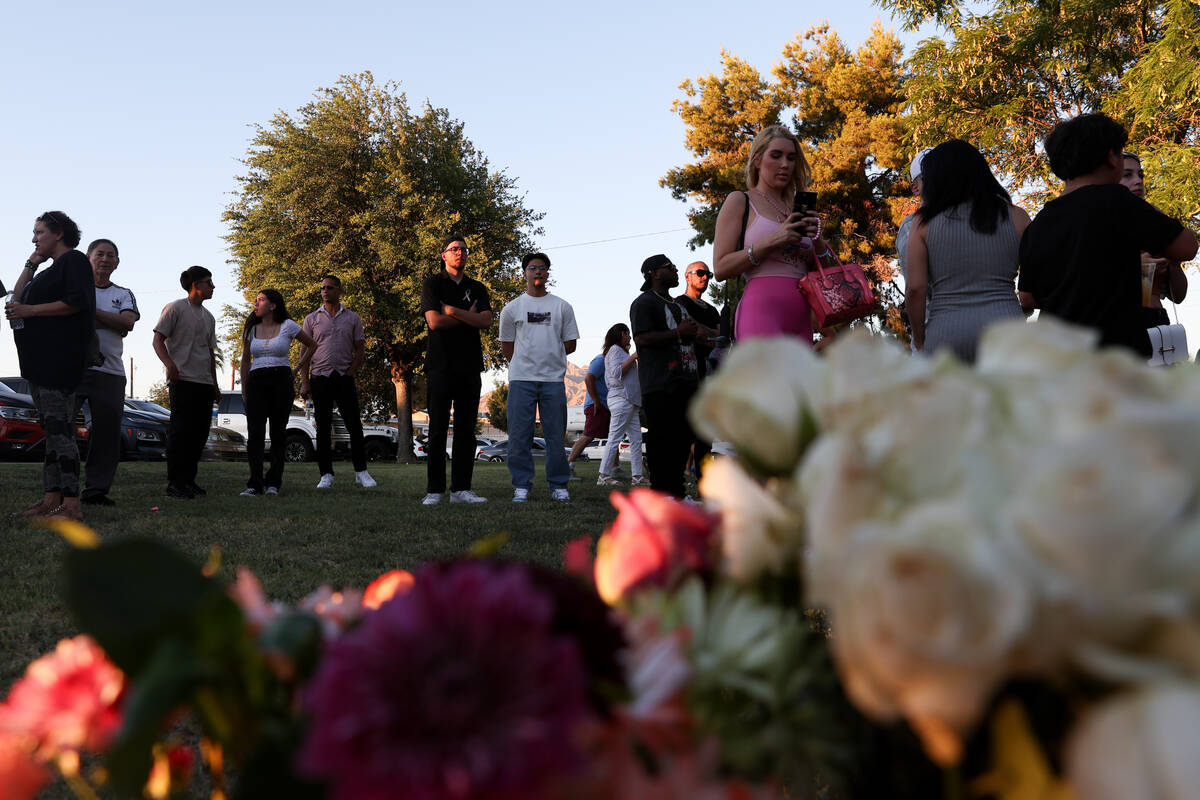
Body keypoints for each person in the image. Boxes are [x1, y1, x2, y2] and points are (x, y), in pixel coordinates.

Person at [1018, 113, 1198, 357]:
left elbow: (1027, 298)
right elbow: (1187, 247)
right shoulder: (1117, 201)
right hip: (1115, 358)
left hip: (1058, 358)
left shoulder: (1038, 224)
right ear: (1112, 157)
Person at [904, 139, 1031, 362]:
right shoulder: (1017, 216)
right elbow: (1034, 288)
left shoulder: (922, 223)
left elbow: (915, 289)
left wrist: (920, 340)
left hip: (947, 335)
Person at [6, 211, 96, 520]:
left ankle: (70, 506)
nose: (34, 238)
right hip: (37, 364)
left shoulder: (75, 262)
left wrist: (30, 310)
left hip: (58, 363)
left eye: (39, 232)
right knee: (51, 433)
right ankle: (50, 501)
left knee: (61, 433)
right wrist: (31, 264)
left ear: (58, 233)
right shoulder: (48, 271)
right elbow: (14, 300)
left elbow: (76, 302)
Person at [711, 124, 831, 342]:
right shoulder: (741, 201)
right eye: (776, 156)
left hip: (801, 318)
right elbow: (720, 268)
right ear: (757, 160)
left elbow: (826, 274)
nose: (785, 164)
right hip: (761, 312)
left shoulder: (797, 209)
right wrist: (774, 240)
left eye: (791, 158)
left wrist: (819, 242)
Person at [498, 253, 579, 503]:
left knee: (555, 436)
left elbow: (570, 344)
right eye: (533, 267)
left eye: (543, 268)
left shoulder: (562, 306)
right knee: (519, 435)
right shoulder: (512, 309)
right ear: (524, 273)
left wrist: (548, 356)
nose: (538, 271)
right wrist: (526, 363)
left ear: (547, 274)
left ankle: (558, 485)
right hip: (522, 379)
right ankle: (521, 485)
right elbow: (507, 346)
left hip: (553, 380)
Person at [419, 235, 493, 505]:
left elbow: (485, 321)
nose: (460, 252)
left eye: (463, 249)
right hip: (439, 366)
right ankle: (435, 490)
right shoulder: (433, 284)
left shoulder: (478, 287)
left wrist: (452, 311)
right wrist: (466, 315)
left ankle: (461, 489)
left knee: (465, 431)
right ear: (443, 255)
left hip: (470, 366)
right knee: (437, 429)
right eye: (454, 249)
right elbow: (434, 323)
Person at [297, 275, 376, 490]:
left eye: (329, 287)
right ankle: (326, 475)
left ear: (339, 290)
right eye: (322, 288)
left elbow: (360, 348)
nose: (325, 291)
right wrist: (304, 382)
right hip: (320, 377)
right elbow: (303, 353)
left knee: (354, 426)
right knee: (322, 428)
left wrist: (350, 372)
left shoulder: (352, 318)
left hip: (343, 377)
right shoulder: (312, 319)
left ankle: (361, 472)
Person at [631, 254, 699, 499]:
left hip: (686, 380)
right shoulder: (644, 303)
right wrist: (678, 333)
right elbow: (642, 339)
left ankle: (677, 493)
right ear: (654, 273)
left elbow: (689, 334)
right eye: (669, 267)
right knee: (663, 442)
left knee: (682, 441)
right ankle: (662, 495)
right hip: (660, 383)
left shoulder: (677, 305)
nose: (675, 269)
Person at [77, 238, 139, 506]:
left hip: (111, 373)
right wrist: (112, 321)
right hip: (73, 369)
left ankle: (96, 491)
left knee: (106, 435)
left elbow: (128, 322)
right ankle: (58, 490)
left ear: (117, 262)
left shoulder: (124, 293)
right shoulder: (74, 288)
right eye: (99, 254)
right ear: (88, 257)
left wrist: (90, 312)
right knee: (59, 429)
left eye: (110, 255)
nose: (105, 259)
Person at [240, 290, 316, 496]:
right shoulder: (250, 329)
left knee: (278, 434)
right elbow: (245, 360)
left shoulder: (288, 325)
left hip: (281, 380)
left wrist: (297, 368)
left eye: (261, 300)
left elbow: (312, 344)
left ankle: (273, 483)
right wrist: (244, 389)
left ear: (273, 305)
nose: (256, 304)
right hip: (256, 381)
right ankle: (254, 484)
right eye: (256, 300)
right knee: (255, 434)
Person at [153, 265, 219, 500]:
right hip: (182, 380)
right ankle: (175, 483)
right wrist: (170, 365)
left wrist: (215, 384)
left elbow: (210, 353)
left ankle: (189, 480)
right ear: (196, 285)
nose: (212, 287)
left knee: (199, 434)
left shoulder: (209, 317)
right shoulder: (175, 308)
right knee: (181, 432)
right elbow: (158, 340)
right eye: (209, 282)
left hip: (203, 382)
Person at [1120, 151, 1188, 327]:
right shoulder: (1101, 221)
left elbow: (1178, 296)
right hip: (1121, 322)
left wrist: (1173, 263)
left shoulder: (1155, 220)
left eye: (1140, 175)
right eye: (1127, 175)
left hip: (1158, 320)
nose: (1138, 181)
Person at [674, 261, 720, 476]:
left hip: (710, 376)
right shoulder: (678, 304)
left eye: (708, 274)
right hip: (687, 374)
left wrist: (707, 334)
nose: (705, 277)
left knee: (705, 434)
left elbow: (720, 339)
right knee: (683, 431)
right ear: (687, 276)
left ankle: (704, 482)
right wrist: (709, 334)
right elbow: (696, 333)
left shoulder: (712, 310)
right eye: (700, 273)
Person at [598, 323, 647, 488]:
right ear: (620, 334)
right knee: (614, 438)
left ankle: (637, 476)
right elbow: (617, 373)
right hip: (621, 399)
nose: (629, 336)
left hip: (630, 400)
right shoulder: (614, 350)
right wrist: (633, 357)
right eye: (626, 333)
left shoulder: (621, 352)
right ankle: (603, 476)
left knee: (636, 439)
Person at [897, 148, 932, 352]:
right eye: (928, 177)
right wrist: (920, 339)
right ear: (915, 188)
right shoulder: (911, 226)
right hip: (931, 334)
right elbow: (916, 288)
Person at [566, 349, 608, 480]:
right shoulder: (601, 360)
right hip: (596, 406)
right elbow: (588, 378)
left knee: (613, 437)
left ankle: (615, 468)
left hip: (607, 406)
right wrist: (596, 401)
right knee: (588, 436)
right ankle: (567, 468)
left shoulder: (611, 361)